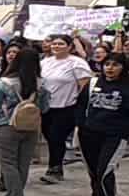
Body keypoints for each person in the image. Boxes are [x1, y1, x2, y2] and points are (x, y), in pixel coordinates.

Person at [77, 52, 129, 196]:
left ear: (122, 68)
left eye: (115, 65)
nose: (110, 68)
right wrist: (79, 125)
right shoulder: (93, 83)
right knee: (93, 169)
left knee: (106, 168)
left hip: (115, 135)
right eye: (107, 64)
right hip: (89, 133)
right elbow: (80, 106)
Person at [0, 47, 48, 196]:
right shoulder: (41, 84)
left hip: (7, 125)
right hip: (31, 127)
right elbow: (45, 107)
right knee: (23, 162)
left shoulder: (5, 83)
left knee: (8, 162)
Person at [39, 35, 93, 184]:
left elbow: (85, 86)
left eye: (61, 44)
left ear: (70, 46)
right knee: (50, 137)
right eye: (54, 44)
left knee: (57, 137)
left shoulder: (77, 63)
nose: (56, 46)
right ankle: (55, 165)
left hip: (67, 106)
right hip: (46, 107)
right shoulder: (45, 62)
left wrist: (81, 107)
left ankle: (55, 169)